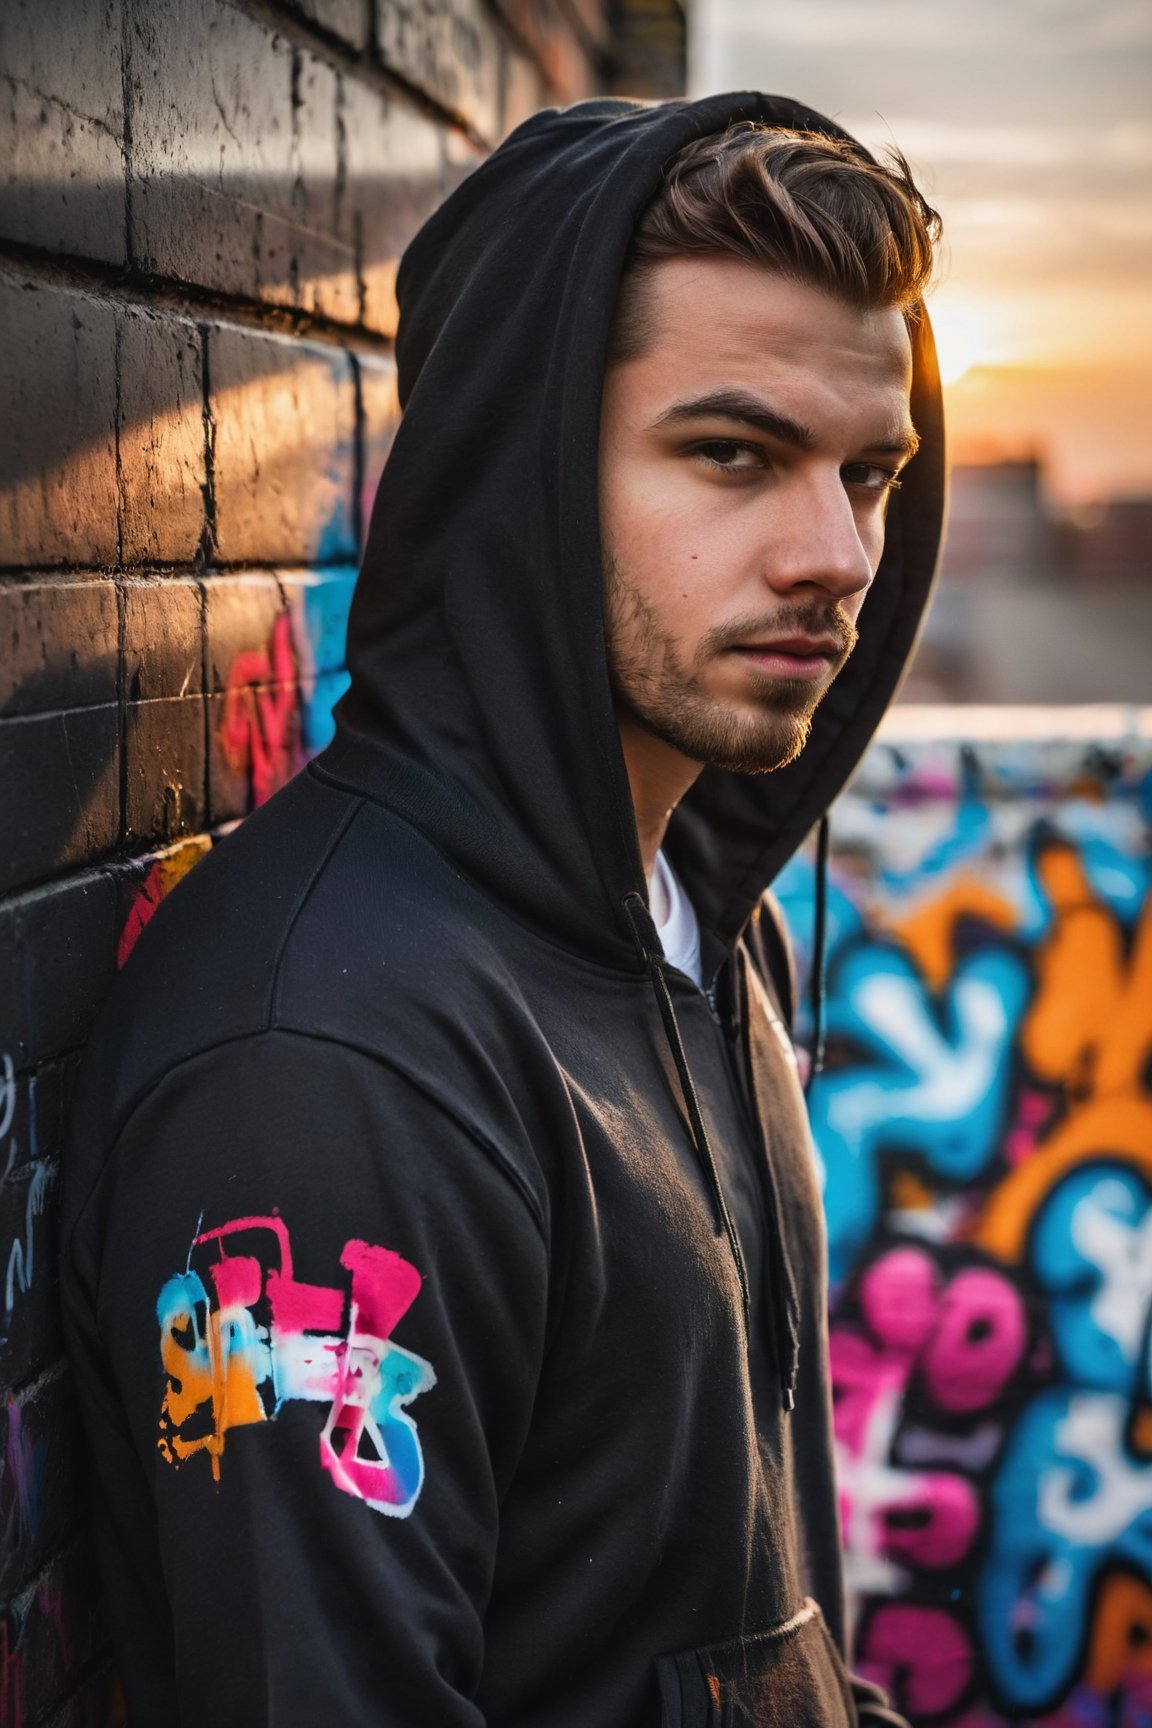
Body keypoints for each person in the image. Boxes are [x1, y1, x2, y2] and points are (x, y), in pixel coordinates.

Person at [61, 92, 943, 1725]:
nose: (836, 552)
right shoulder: (328, 1069)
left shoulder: (688, 908)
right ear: (515, 470)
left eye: (870, 474)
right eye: (735, 455)